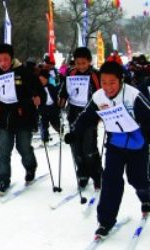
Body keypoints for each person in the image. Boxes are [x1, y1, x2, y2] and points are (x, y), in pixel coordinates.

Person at [64, 61, 150, 238]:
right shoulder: (98, 97)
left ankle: (146, 197)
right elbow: (86, 117)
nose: (108, 87)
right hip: (115, 146)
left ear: (121, 80)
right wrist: (74, 133)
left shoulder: (134, 95)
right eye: (104, 82)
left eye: (112, 82)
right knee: (110, 180)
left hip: (137, 145)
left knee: (137, 179)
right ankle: (105, 221)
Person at [0, 44, 43, 195]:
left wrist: (38, 97)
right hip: (5, 118)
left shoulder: (24, 73)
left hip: (24, 117)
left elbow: (38, 89)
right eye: (0, 60)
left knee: (23, 148)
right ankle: (3, 179)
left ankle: (30, 167)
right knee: (3, 150)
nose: (3, 63)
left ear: (12, 58)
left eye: (6, 59)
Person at [58, 47, 103, 189]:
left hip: (90, 116)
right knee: (76, 147)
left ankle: (96, 174)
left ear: (89, 62)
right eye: (78, 63)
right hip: (73, 115)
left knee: (89, 147)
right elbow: (64, 91)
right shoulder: (70, 73)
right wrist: (62, 100)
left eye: (84, 63)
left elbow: (101, 93)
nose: (81, 66)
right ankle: (82, 173)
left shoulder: (95, 75)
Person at [38, 69, 60, 142]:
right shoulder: (38, 89)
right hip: (43, 109)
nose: (42, 81)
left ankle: (61, 132)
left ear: (47, 79)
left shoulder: (51, 87)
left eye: (43, 79)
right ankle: (45, 139)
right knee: (44, 124)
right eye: (40, 80)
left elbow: (56, 96)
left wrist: (58, 105)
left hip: (52, 108)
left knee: (56, 123)